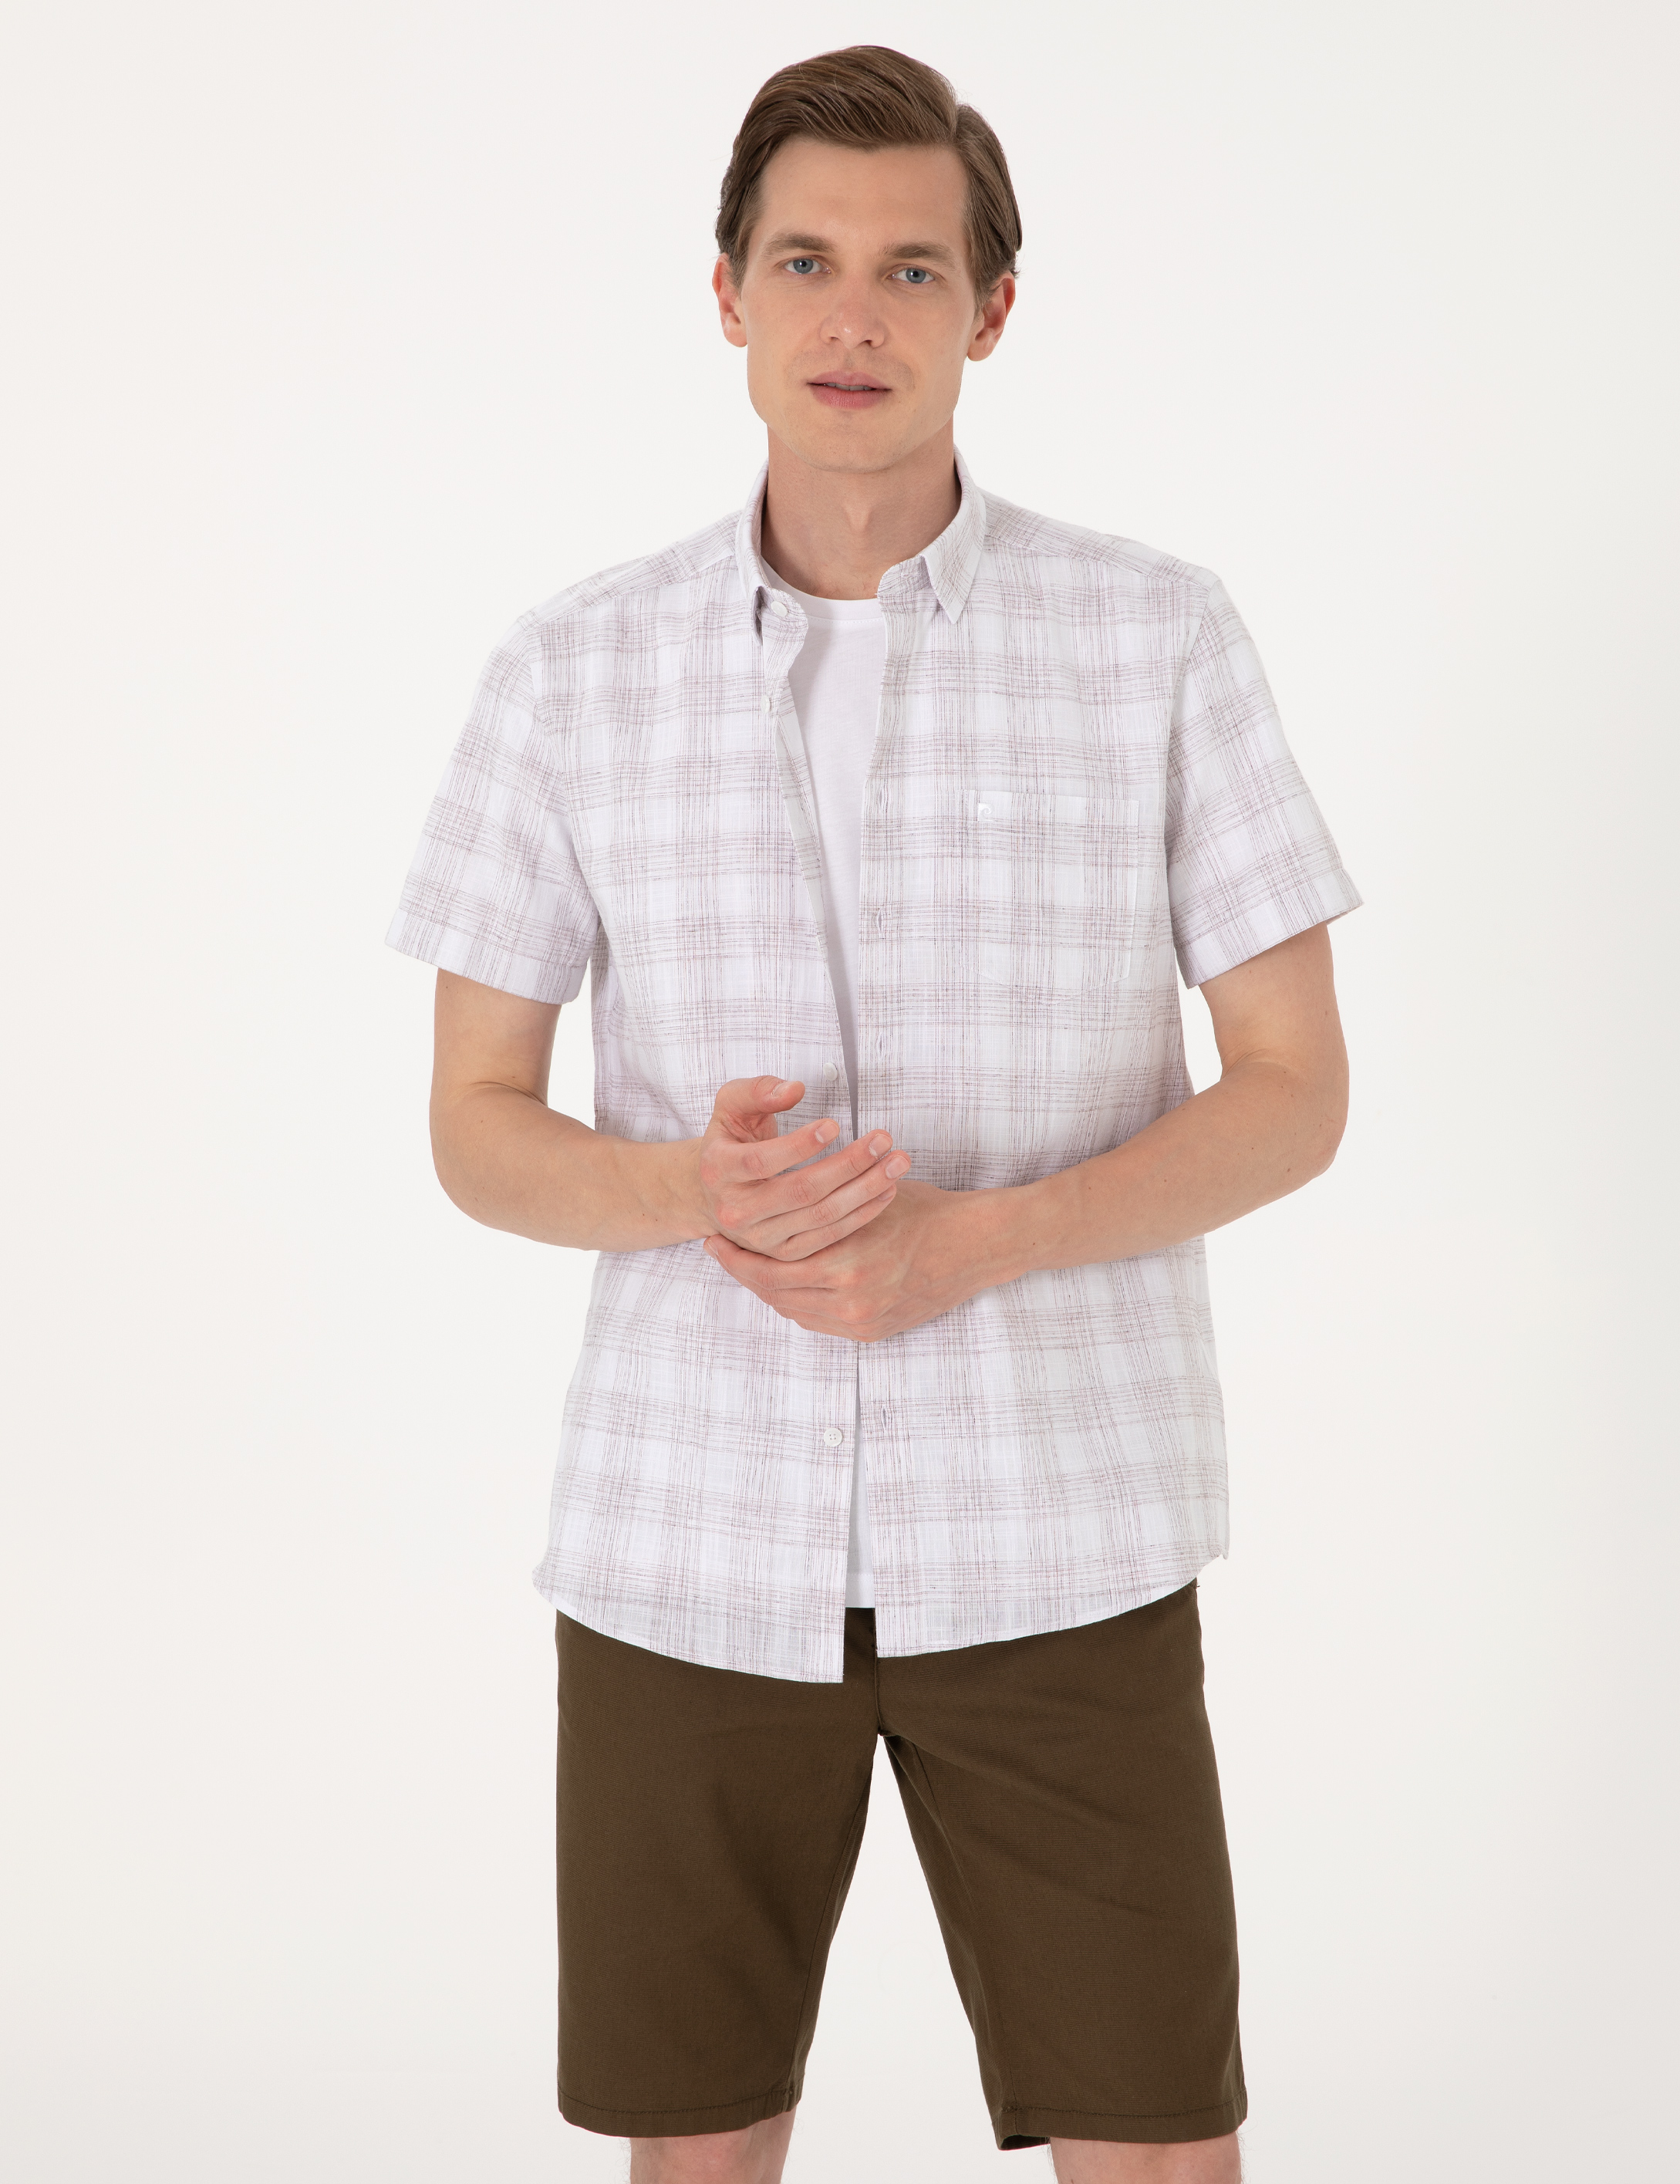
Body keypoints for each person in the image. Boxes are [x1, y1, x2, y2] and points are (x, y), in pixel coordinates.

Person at [388, 43, 1359, 2184]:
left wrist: (977, 1241)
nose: (855, 316)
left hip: (1063, 1528)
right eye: (806, 261)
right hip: (688, 1541)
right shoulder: (571, 669)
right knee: (696, 2152)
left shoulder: (1156, 637)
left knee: (1157, 2144)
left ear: (988, 311)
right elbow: (474, 1120)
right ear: (726, 294)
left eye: (912, 269)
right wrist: (690, 1186)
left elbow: (1296, 1092)